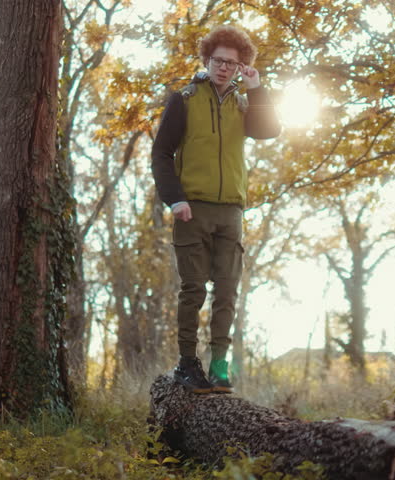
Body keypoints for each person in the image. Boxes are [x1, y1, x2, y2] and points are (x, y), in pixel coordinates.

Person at [151, 25, 281, 394]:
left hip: (231, 213)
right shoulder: (185, 99)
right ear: (207, 60)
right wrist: (175, 198)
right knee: (193, 290)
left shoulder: (244, 103)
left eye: (232, 63)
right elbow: (161, 153)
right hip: (192, 209)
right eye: (218, 60)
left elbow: (269, 130)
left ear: (241, 67)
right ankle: (187, 364)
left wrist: (256, 88)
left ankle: (220, 366)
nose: (224, 67)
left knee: (227, 290)